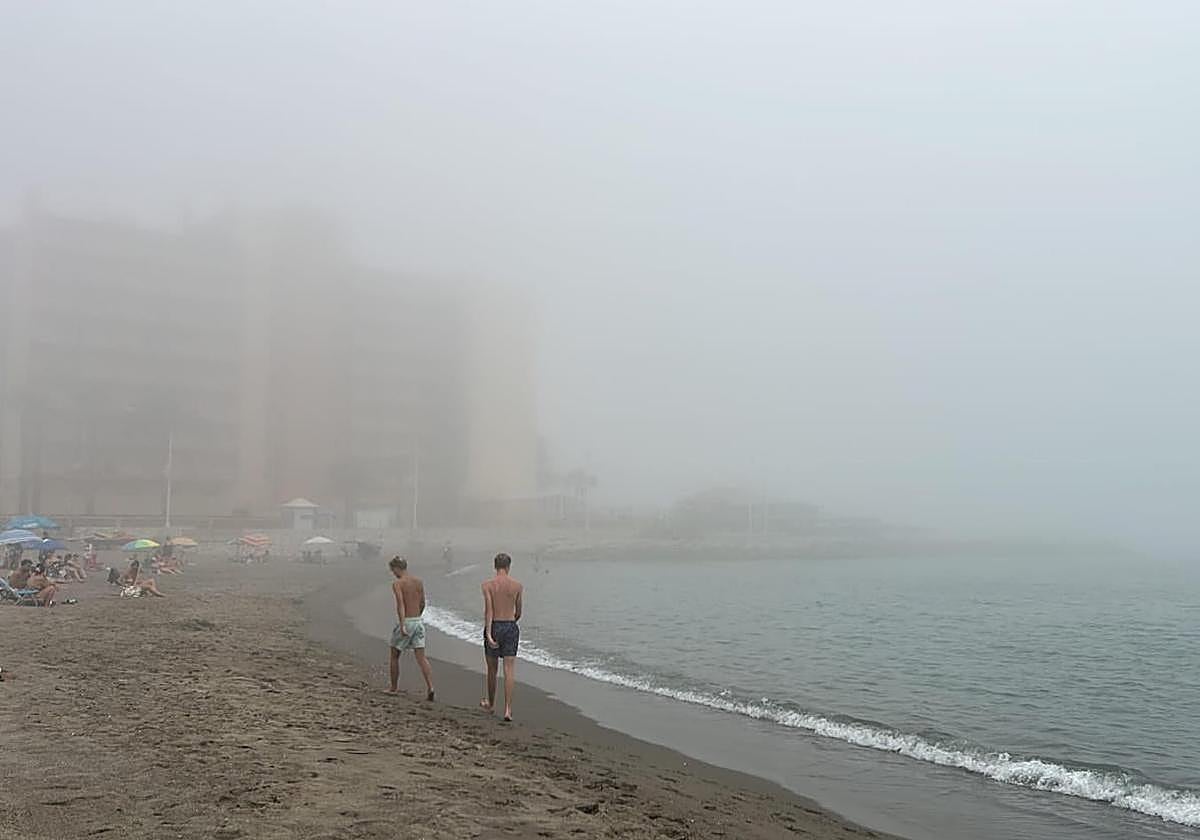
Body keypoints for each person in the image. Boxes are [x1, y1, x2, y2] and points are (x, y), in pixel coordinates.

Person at [480, 552, 523, 722]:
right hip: (510, 625)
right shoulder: (517, 586)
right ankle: (507, 709)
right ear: (508, 566)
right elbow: (518, 611)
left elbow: (489, 611)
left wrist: (490, 633)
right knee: (509, 669)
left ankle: (491, 704)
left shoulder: (487, 585)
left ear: (495, 566)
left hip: (495, 625)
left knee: (492, 668)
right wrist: (511, 622)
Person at [387, 556, 435, 701]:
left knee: (394, 654)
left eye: (393, 570)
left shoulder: (398, 583)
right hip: (418, 621)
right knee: (421, 657)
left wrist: (402, 624)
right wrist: (417, 618)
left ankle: (394, 688)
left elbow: (401, 605)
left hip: (407, 621)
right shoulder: (418, 582)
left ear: (396, 568)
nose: (393, 573)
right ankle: (431, 686)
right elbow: (423, 603)